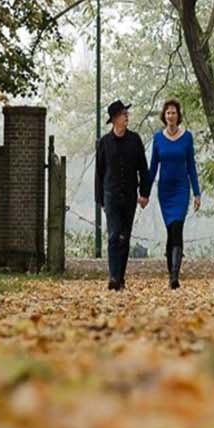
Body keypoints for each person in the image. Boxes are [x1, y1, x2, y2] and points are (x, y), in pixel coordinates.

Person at [94, 100, 152, 290]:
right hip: (110, 194)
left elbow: (143, 169)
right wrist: (100, 199)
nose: (126, 117)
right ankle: (113, 276)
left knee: (124, 237)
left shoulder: (135, 140)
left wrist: (144, 193)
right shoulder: (104, 143)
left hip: (129, 195)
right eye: (122, 114)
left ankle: (120, 276)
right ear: (114, 120)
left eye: (126, 114)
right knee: (113, 236)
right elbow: (99, 172)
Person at [149, 98, 201, 289]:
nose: (171, 115)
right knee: (171, 230)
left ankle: (174, 276)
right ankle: (171, 271)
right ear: (165, 116)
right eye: (168, 112)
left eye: (174, 112)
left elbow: (192, 167)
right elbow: (153, 166)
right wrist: (144, 192)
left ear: (178, 116)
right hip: (165, 191)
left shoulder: (187, 137)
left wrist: (197, 193)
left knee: (177, 226)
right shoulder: (158, 138)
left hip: (181, 189)